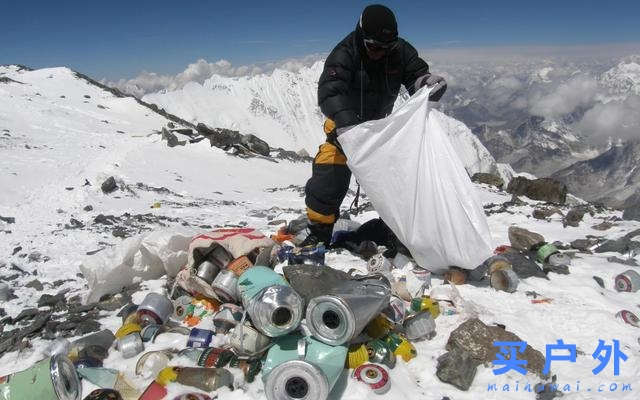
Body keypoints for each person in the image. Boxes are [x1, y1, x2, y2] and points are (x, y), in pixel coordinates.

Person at [302, 4, 447, 247]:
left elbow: (416, 75)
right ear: (361, 36)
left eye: (386, 47)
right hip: (343, 132)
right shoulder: (344, 54)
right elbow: (329, 92)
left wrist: (426, 83)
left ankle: (399, 231)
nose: (380, 52)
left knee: (401, 180)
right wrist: (348, 126)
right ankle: (319, 231)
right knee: (329, 177)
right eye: (374, 47)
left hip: (381, 133)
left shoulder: (400, 51)